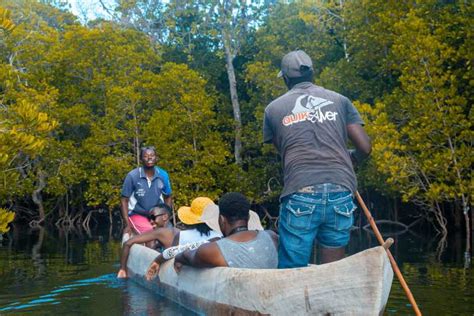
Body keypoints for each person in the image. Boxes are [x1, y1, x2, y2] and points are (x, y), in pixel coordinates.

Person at [263, 50, 371, 268]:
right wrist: (352, 160)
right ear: (313, 73)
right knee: (331, 270)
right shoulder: (340, 100)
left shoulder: (273, 109)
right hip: (341, 189)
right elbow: (365, 148)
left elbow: (284, 149)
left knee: (292, 269)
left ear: (285, 78)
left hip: (300, 191)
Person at [170, 192, 278, 272]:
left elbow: (186, 256)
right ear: (249, 217)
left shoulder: (212, 250)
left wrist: (178, 258)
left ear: (221, 219)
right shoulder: (272, 236)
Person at [120, 146, 173, 235]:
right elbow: (124, 200)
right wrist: (127, 224)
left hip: (157, 215)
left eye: (152, 155)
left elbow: (168, 197)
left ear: (156, 158)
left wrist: (166, 216)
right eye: (145, 156)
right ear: (141, 159)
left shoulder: (163, 175)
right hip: (137, 214)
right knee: (151, 232)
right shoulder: (132, 176)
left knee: (170, 233)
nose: (149, 158)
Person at [117, 203, 177, 278]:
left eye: (153, 217)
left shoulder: (160, 232)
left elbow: (127, 243)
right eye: (149, 218)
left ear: (165, 217)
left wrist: (122, 269)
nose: (151, 221)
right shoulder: (176, 230)